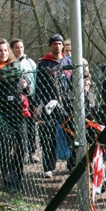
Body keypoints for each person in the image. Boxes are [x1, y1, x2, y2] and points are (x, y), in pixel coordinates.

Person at [0, 38, 31, 192]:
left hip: (17, 113)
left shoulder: (15, 66)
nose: (3, 53)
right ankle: (9, 182)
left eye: (5, 50)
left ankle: (18, 177)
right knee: (4, 148)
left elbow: (28, 87)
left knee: (21, 147)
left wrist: (25, 85)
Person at [32, 34, 73, 178]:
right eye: (54, 43)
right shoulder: (44, 64)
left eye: (60, 44)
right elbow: (38, 86)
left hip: (66, 105)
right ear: (50, 46)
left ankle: (72, 164)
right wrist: (37, 105)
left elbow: (74, 83)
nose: (58, 46)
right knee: (47, 137)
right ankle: (48, 167)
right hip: (48, 105)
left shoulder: (68, 62)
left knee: (71, 134)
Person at [10, 39, 39, 164]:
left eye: (21, 47)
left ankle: (32, 152)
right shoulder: (9, 63)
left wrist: (37, 99)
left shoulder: (30, 62)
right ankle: (18, 150)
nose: (19, 50)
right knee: (17, 125)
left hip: (30, 96)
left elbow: (37, 79)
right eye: (16, 47)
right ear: (12, 49)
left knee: (31, 126)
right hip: (15, 98)